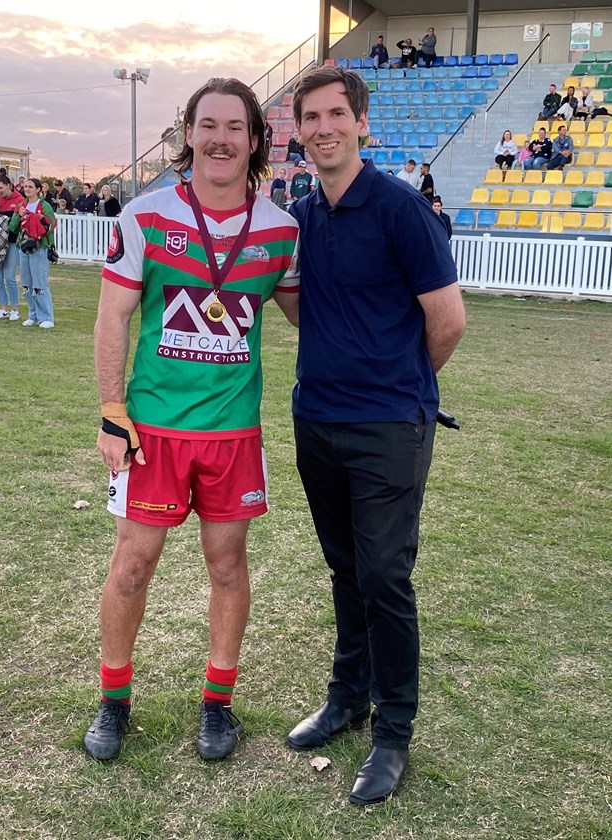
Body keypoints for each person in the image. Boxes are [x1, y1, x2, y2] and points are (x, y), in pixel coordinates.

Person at [83, 76, 299, 764]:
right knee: (133, 566)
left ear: (256, 141)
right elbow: (113, 315)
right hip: (154, 430)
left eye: (236, 127)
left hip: (233, 433)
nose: (220, 139)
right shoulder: (144, 216)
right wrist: (113, 411)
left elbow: (308, 315)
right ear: (188, 135)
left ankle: (217, 705)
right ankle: (114, 702)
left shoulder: (281, 230)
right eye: (208, 125)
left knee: (228, 566)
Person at [285, 65, 466, 806]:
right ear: (297, 131)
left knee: (385, 576)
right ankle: (347, 697)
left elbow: (447, 321)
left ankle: (393, 732)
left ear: (362, 123)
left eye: (336, 114)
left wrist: (395, 381)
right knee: (345, 569)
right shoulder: (301, 213)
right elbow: (300, 309)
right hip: (316, 418)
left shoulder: (400, 209)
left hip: (389, 424)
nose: (324, 128)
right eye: (310, 117)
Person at [8, 177, 56, 328]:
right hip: (23, 246)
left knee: (40, 282)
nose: (27, 189)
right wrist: (18, 215)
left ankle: (46, 317)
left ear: (38, 190)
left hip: (39, 247)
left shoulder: (45, 206)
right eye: (25, 186)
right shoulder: (22, 204)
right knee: (27, 282)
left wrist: (36, 218)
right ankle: (33, 315)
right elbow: (13, 227)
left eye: (30, 186)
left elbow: (51, 225)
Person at [0, 174, 25, 321]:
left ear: (9, 186)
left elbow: (17, 224)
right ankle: (3, 308)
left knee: (9, 277)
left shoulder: (19, 200)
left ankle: (15, 309)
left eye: (0, 188)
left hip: (11, 243)